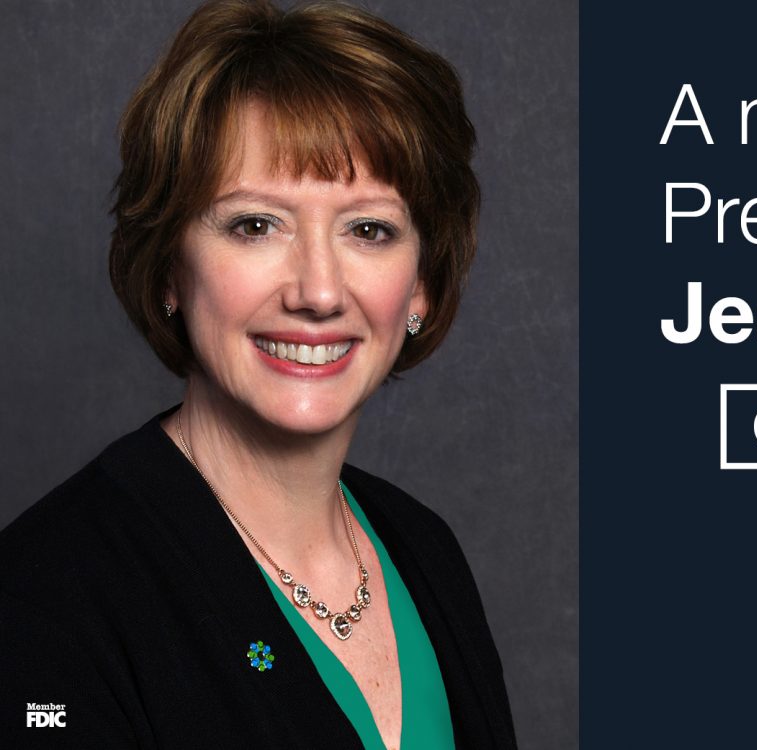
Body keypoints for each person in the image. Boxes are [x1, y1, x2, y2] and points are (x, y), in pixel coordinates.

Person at [0, 1, 518, 747]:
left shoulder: (423, 550)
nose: (318, 291)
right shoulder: (45, 598)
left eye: (369, 230)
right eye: (255, 225)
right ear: (169, 266)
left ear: (422, 286)